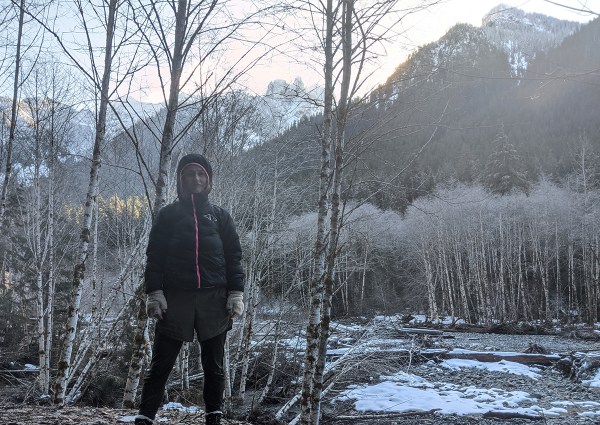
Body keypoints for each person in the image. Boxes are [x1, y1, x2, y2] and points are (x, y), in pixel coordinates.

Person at [135, 154, 244, 425]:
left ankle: (213, 418)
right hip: (176, 299)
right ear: (180, 180)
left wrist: (236, 293)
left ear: (208, 180)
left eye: (201, 174)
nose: (195, 178)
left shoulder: (220, 216)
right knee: (161, 365)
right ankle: (145, 417)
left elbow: (234, 257)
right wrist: (154, 293)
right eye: (189, 174)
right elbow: (155, 257)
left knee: (214, 366)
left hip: (214, 298)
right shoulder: (168, 216)